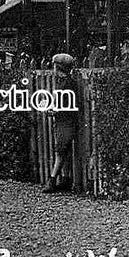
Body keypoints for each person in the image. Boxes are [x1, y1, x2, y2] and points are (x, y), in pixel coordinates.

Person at [43, 52, 80, 194]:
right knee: (63, 151)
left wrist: (53, 111)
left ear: (58, 68)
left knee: (60, 151)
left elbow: (68, 105)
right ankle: (65, 179)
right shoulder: (63, 83)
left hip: (66, 122)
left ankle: (52, 181)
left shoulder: (68, 84)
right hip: (62, 121)